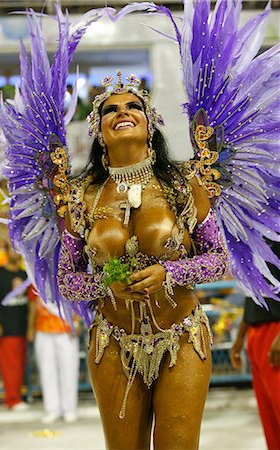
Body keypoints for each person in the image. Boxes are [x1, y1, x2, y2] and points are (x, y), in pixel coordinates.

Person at [56, 72, 229, 449]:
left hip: (181, 338)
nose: (123, 112)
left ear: (149, 123)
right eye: (110, 110)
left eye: (134, 106)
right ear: (98, 129)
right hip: (113, 344)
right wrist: (106, 283)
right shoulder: (80, 195)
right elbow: (67, 279)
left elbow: (217, 259)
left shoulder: (184, 182)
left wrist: (170, 271)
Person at [230, 243, 280, 450]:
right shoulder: (253, 230)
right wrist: (240, 337)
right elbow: (253, 294)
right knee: (270, 419)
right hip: (256, 331)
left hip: (275, 332)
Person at [0, 241, 30, 410]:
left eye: (18, 250)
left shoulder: (25, 275)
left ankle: (16, 397)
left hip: (21, 326)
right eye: (12, 249)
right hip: (5, 328)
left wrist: (30, 327)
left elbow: (31, 303)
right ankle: (12, 399)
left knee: (19, 365)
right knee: (8, 366)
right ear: (5, 251)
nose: (15, 253)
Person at [27, 285, 80, 424]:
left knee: (69, 370)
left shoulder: (67, 269)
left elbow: (78, 297)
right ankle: (52, 409)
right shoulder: (37, 273)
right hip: (43, 328)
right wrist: (30, 327)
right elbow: (33, 302)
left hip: (66, 328)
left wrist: (77, 322)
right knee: (47, 371)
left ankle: (69, 409)